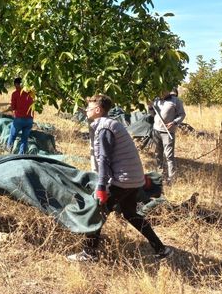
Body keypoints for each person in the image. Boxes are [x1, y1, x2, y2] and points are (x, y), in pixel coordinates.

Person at [68, 94, 172, 261]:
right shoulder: (111, 124)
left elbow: (104, 159)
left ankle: (89, 253)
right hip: (133, 179)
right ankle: (161, 249)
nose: (85, 111)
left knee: (96, 211)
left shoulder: (104, 129)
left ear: (97, 110)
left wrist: (101, 187)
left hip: (123, 180)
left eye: (88, 108)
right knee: (130, 213)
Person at [148, 88, 186, 184]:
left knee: (169, 156)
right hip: (156, 130)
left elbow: (182, 115)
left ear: (168, 91)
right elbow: (153, 114)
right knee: (158, 154)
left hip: (168, 132)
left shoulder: (176, 101)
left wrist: (174, 122)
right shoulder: (156, 100)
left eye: (163, 90)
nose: (161, 93)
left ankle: (172, 178)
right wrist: (150, 107)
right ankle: (160, 174)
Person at [6, 77, 34, 154]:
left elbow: (13, 107)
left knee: (12, 136)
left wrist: (10, 108)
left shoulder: (15, 94)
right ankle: (22, 155)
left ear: (17, 84)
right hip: (29, 119)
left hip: (19, 119)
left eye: (15, 85)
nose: (15, 87)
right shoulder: (31, 93)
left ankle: (8, 153)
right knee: (24, 139)